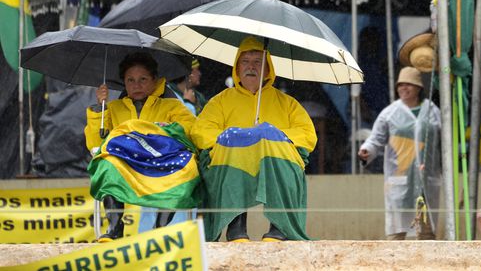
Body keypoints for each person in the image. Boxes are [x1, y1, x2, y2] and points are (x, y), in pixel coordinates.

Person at [191, 36, 317, 242]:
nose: (251, 67)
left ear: (268, 68)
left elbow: (307, 135)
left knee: (277, 150)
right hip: (233, 161)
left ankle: (280, 228)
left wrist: (270, 136)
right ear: (237, 67)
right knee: (234, 145)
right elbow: (200, 132)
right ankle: (235, 227)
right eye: (245, 62)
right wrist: (239, 138)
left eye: (258, 62)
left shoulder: (287, 103)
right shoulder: (220, 101)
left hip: (272, 162)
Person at [85, 51, 197, 242]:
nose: (136, 85)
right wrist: (99, 110)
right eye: (130, 80)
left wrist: (167, 130)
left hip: (161, 162)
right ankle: (115, 227)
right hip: (127, 164)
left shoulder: (172, 106)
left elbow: (190, 130)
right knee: (105, 164)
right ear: (124, 83)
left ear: (155, 80)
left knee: (186, 168)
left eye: (143, 79)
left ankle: (161, 228)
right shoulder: (113, 108)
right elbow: (96, 144)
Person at [358, 67, 442, 240]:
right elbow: (376, 139)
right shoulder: (390, 113)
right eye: (400, 85)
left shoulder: (432, 110)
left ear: (419, 87)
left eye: (408, 85)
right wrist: (367, 150)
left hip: (428, 176)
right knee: (397, 230)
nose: (404, 88)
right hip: (400, 178)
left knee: (426, 230)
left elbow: (446, 140)